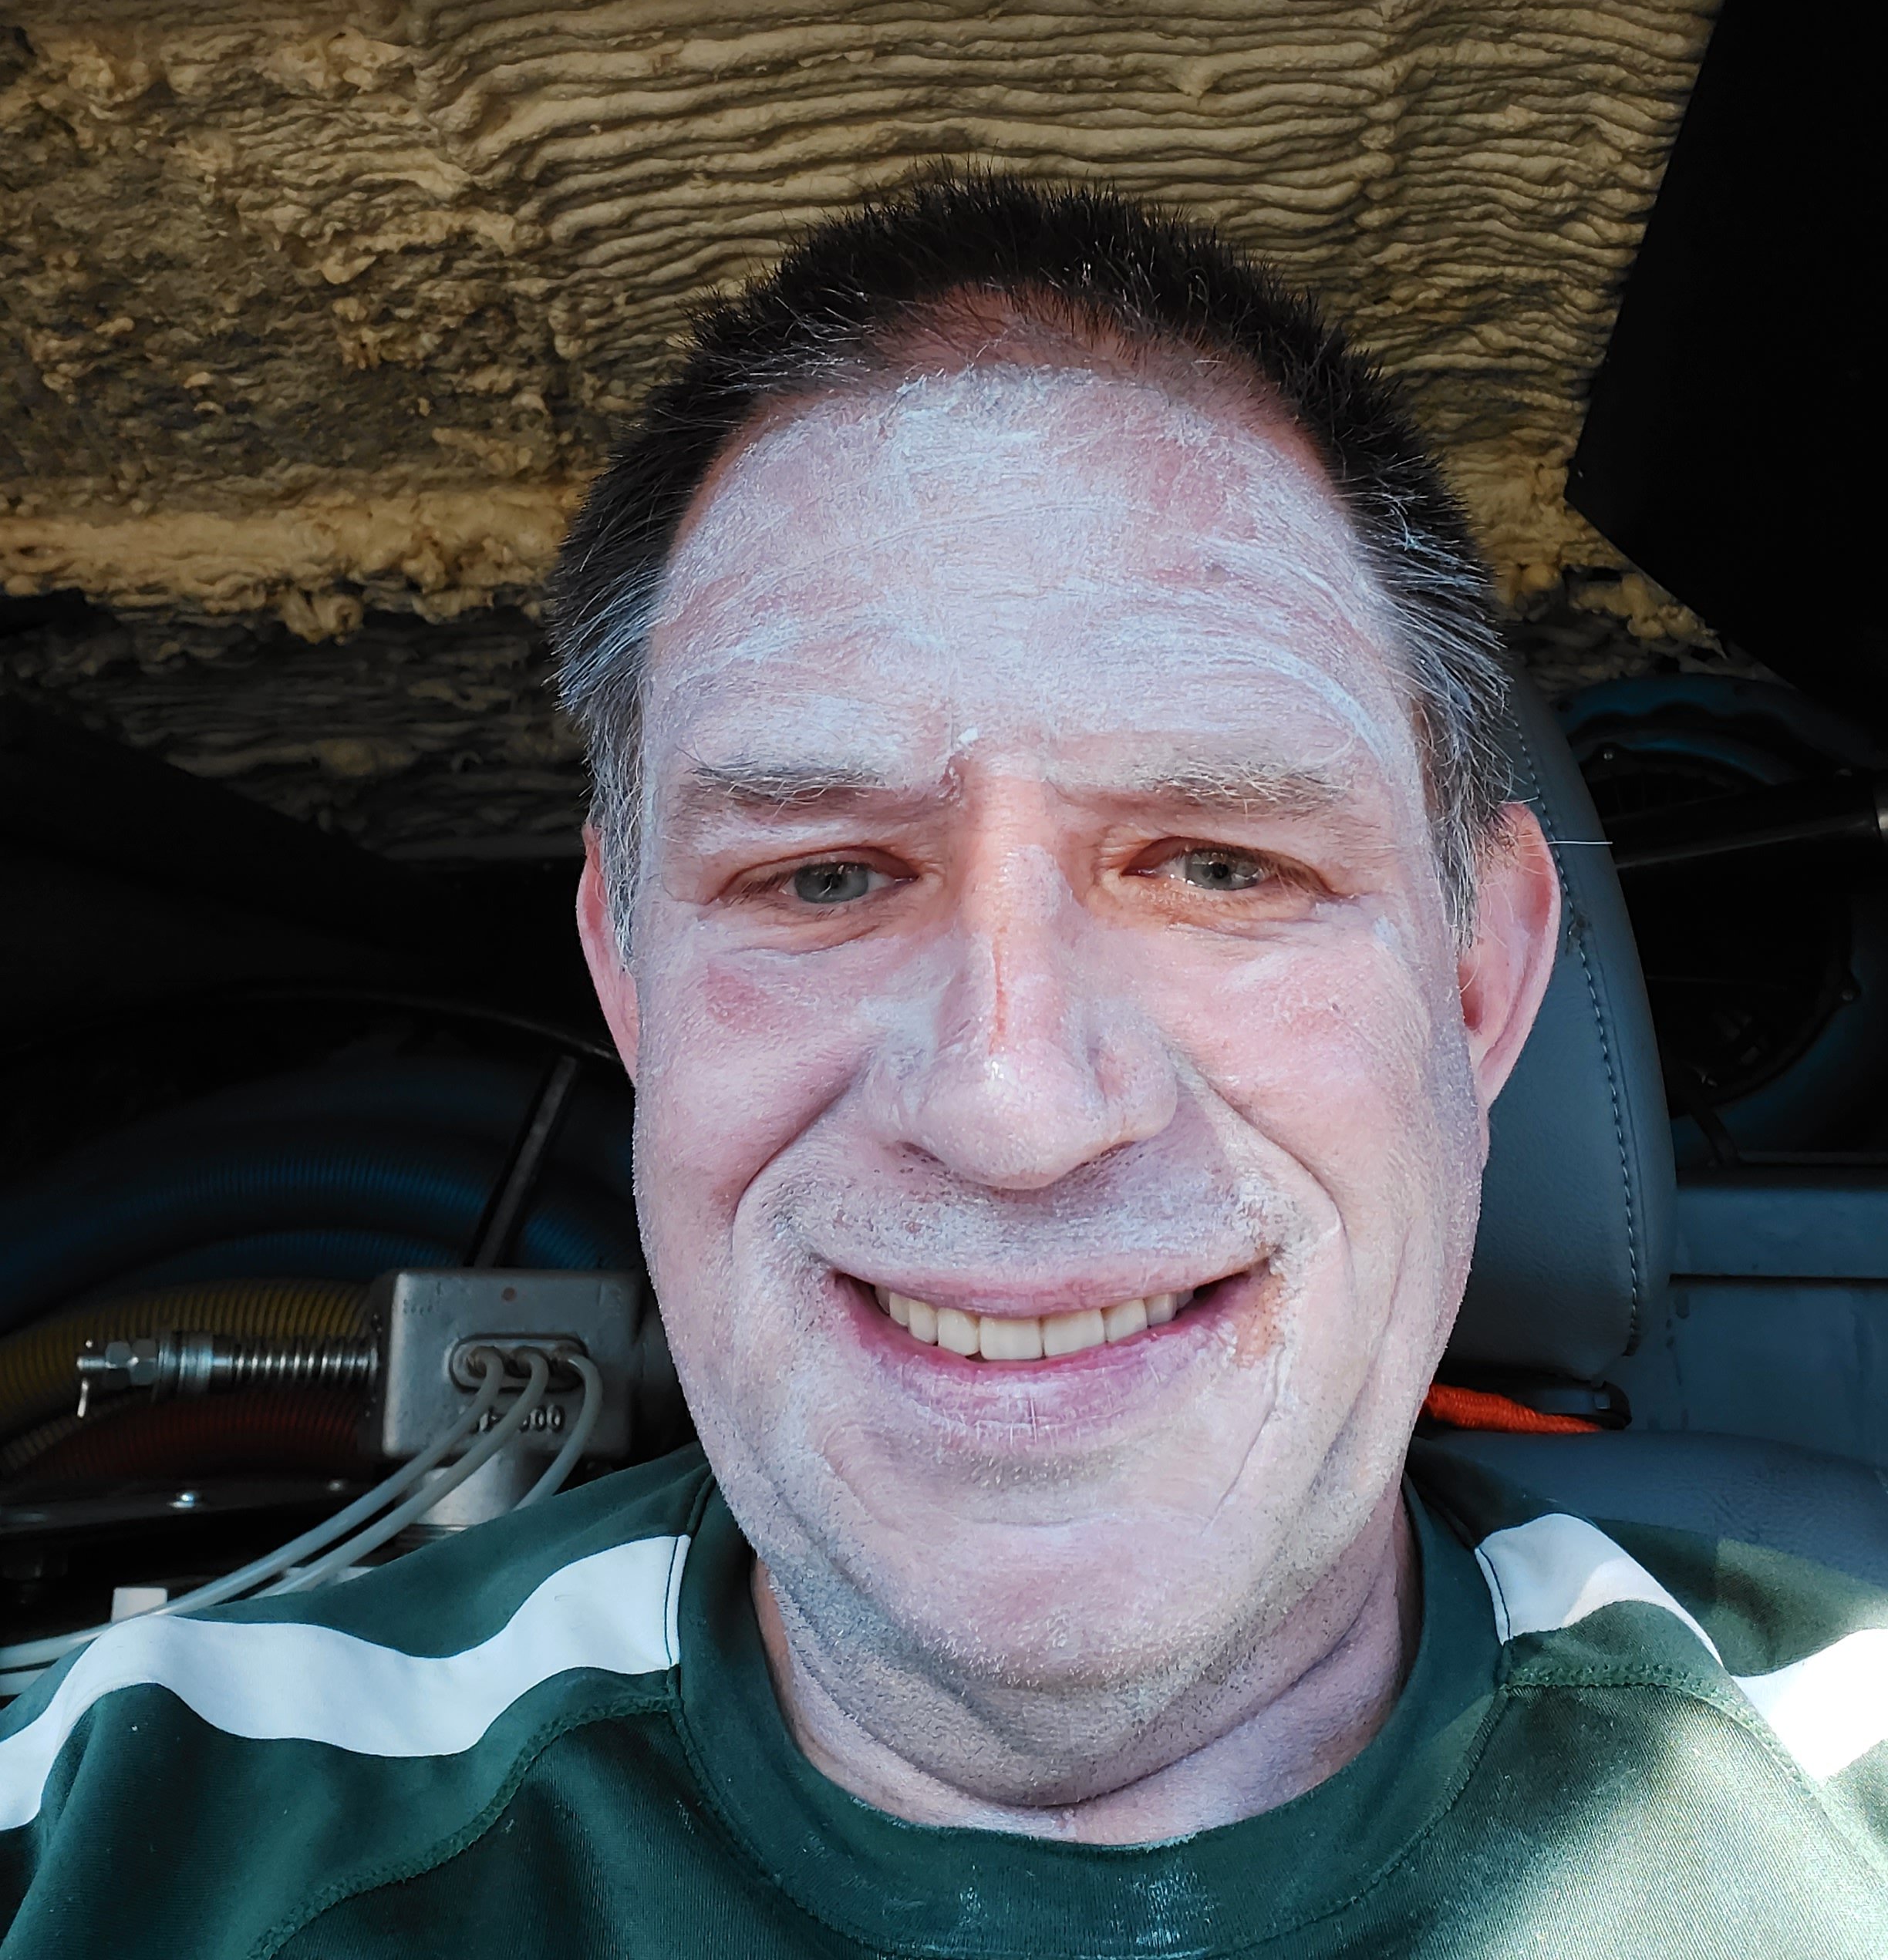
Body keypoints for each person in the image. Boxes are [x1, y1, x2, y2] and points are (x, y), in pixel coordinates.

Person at [3, 175, 1886, 1955]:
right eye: (824, 877)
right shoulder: (116, 1835)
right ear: (630, 978)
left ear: (1478, 981)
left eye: (1219, 868)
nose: (1011, 1107)